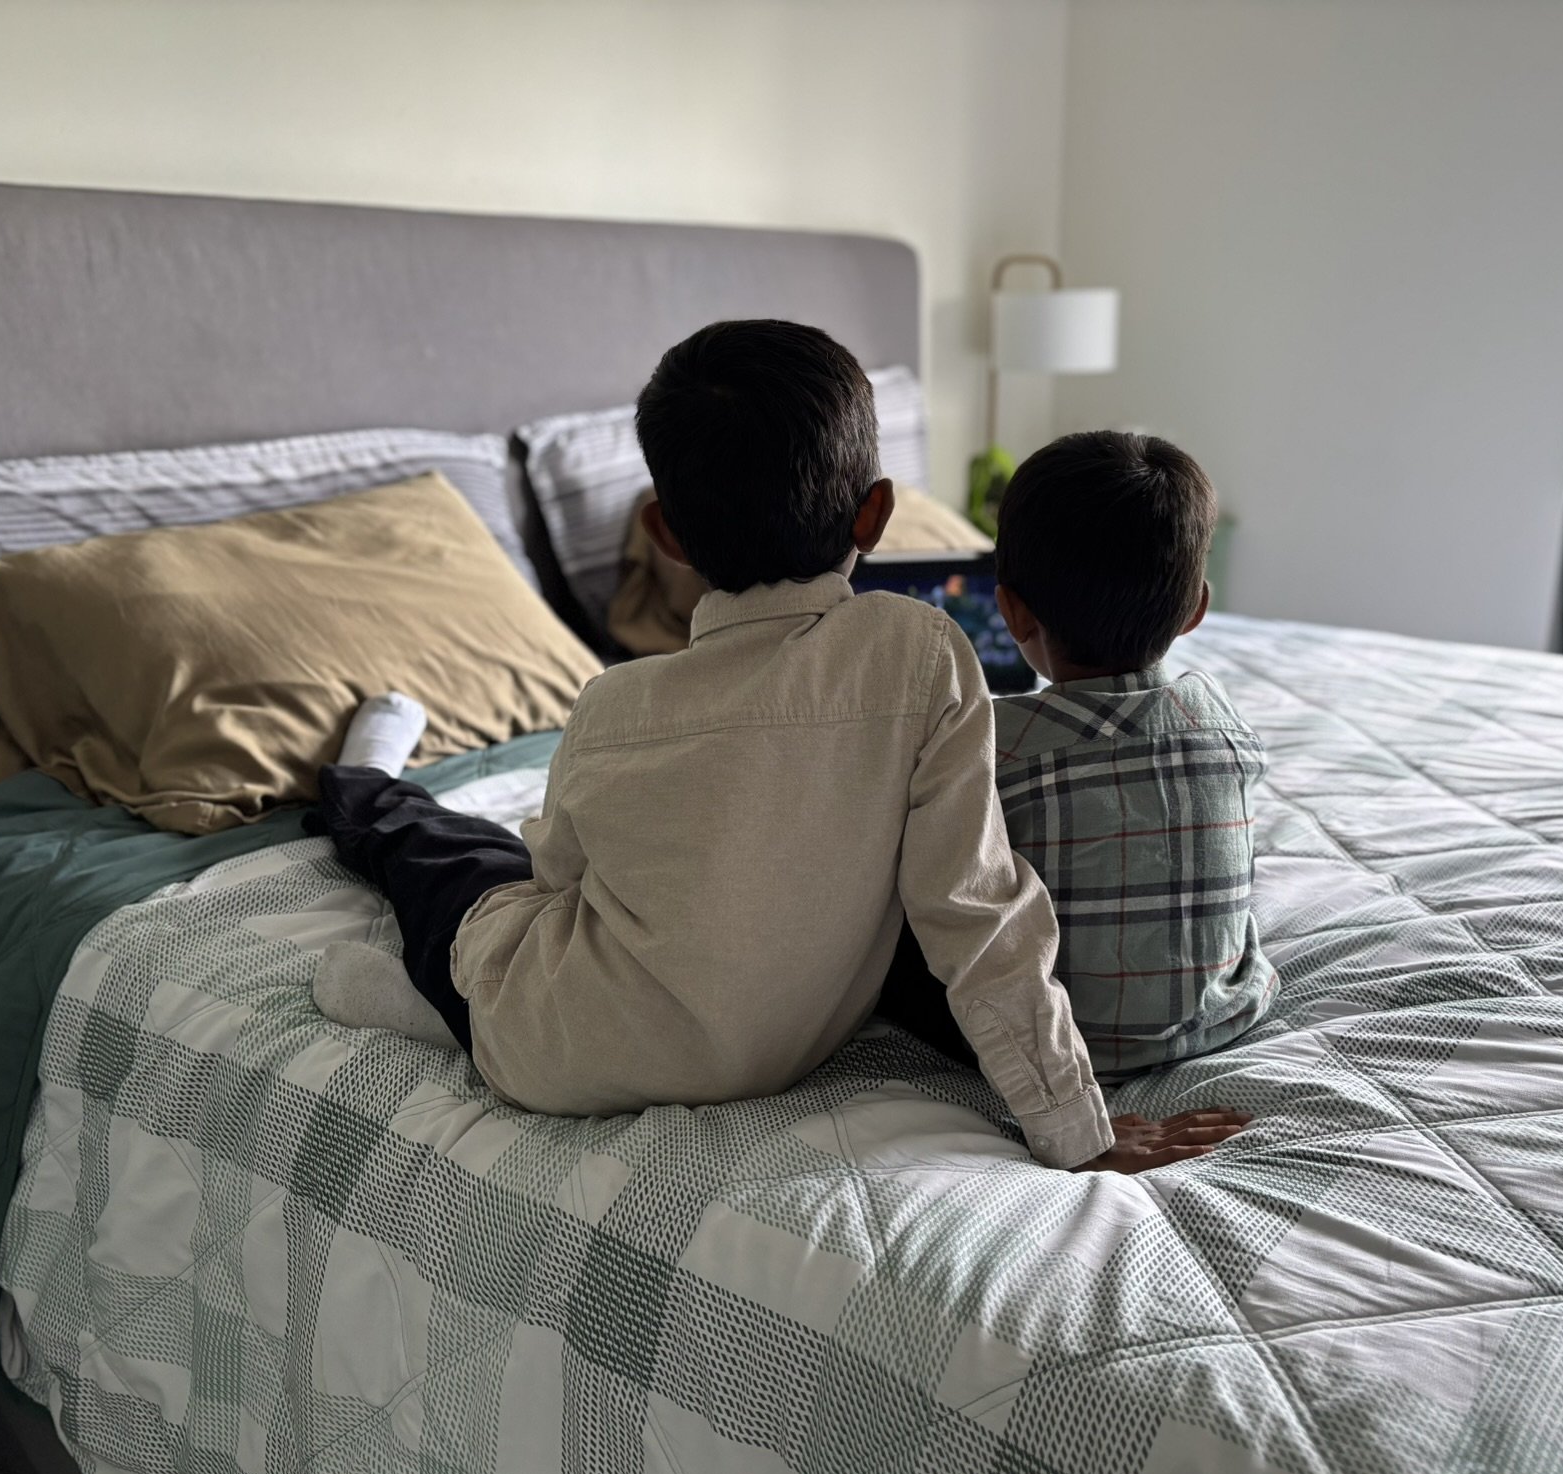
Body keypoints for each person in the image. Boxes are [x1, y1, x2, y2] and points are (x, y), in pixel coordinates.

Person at [310, 320, 1246, 1172]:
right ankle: (407, 902)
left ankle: (372, 809)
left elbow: (555, 881)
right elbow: (979, 908)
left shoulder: (611, 706)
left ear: (665, 533)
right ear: (877, 515)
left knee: (457, 862)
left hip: (558, 1057)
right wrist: (1076, 1129)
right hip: (788, 1048)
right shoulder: (922, 653)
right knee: (477, 869)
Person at [879, 430, 1279, 1078]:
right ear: (1196, 611)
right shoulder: (1223, 724)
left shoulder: (987, 744)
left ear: (1010, 612)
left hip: (1055, 1043)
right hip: (1215, 1019)